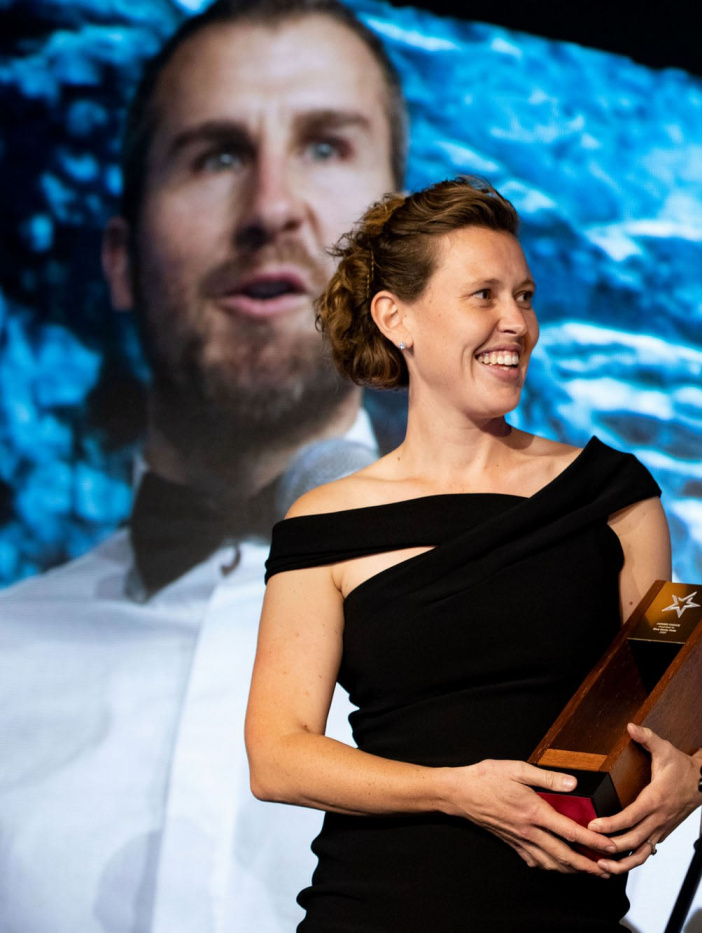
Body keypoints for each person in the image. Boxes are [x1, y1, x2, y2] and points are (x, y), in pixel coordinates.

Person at [0, 1, 405, 929]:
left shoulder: (587, 648)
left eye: (327, 147)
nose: (271, 207)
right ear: (121, 261)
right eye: (216, 154)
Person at [242, 175, 702, 930]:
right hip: (378, 910)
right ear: (397, 318)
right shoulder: (325, 523)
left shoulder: (612, 494)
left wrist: (690, 768)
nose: (515, 323)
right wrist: (456, 789)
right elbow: (278, 753)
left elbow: (668, 704)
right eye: (482, 296)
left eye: (524, 296)